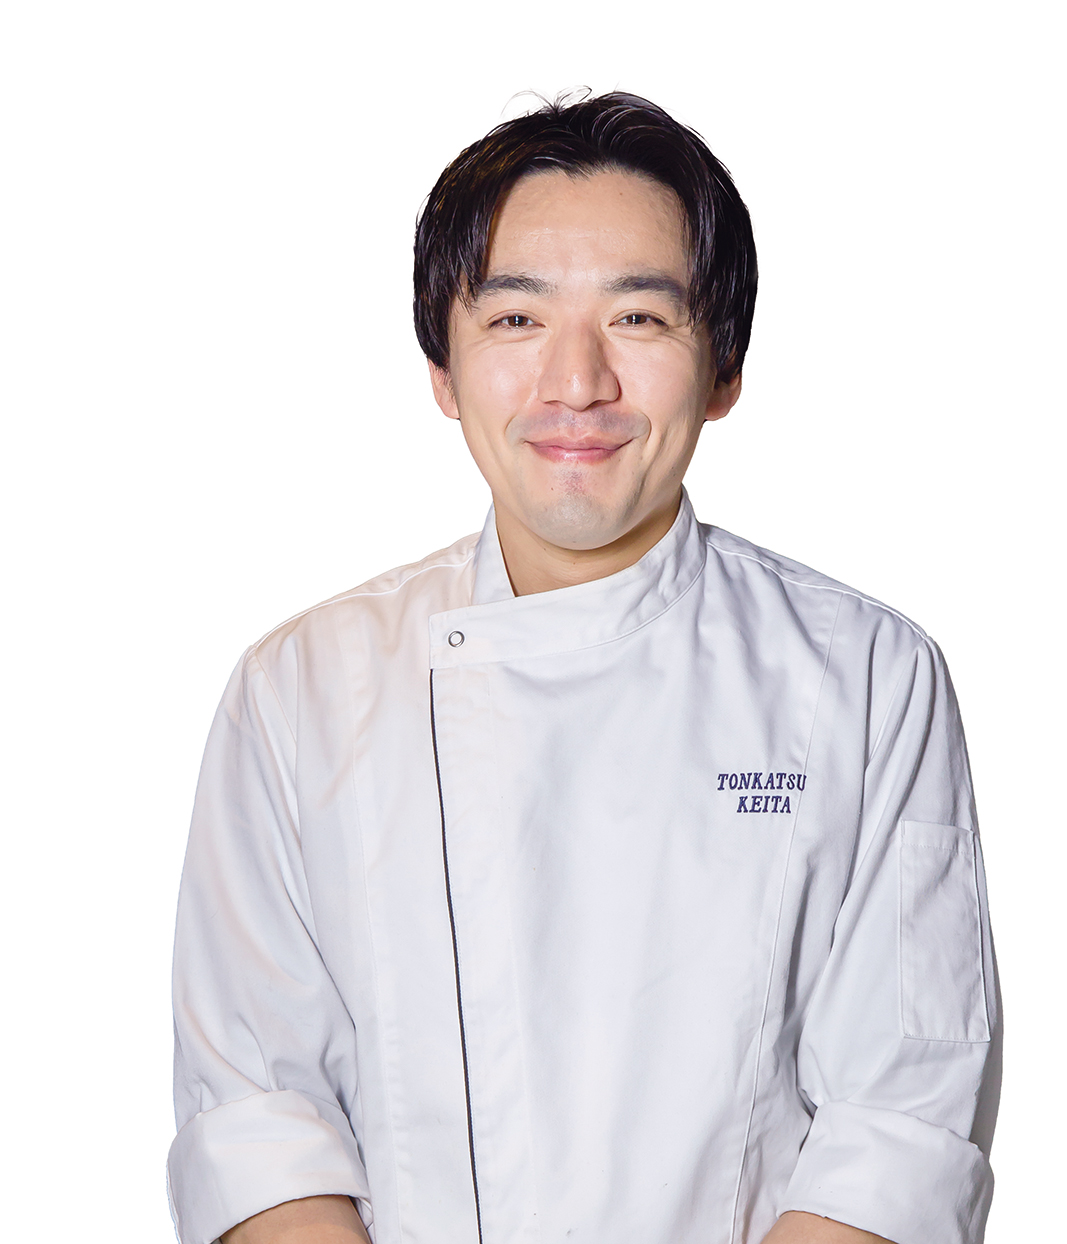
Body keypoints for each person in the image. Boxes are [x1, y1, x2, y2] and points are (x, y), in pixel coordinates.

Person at [168, 92, 1000, 1244]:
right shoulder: (300, 687)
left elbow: (897, 1132)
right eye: (516, 318)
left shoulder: (866, 676)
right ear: (444, 369)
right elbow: (257, 1118)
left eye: (639, 318)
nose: (576, 382)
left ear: (723, 368)